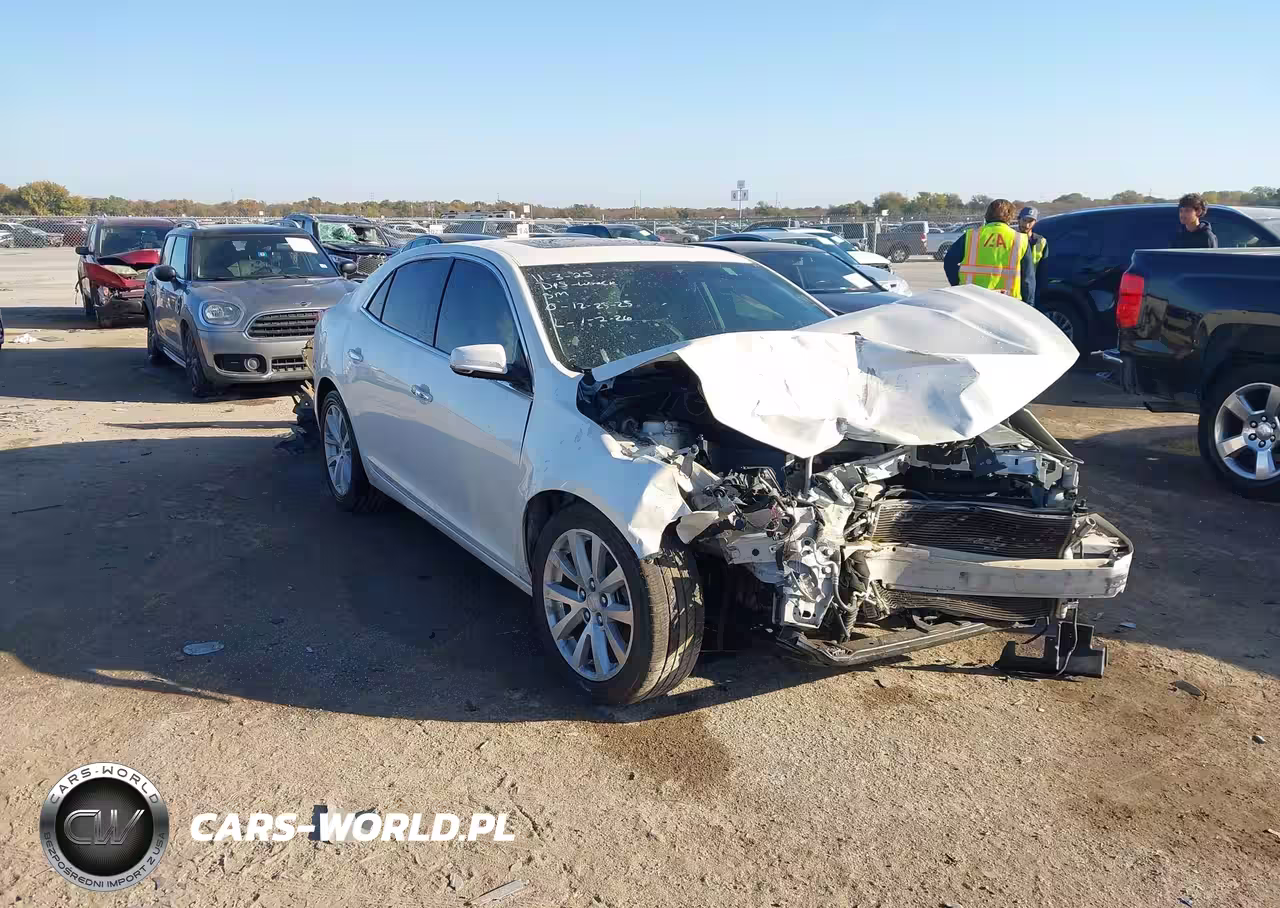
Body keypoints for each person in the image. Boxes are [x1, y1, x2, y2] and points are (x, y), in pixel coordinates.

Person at [943, 199, 1035, 302]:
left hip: (972, 299)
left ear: (987, 215)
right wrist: (1028, 306)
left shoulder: (971, 236)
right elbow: (1028, 279)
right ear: (1010, 217)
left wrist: (959, 286)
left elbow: (949, 262)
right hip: (1008, 302)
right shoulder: (1020, 239)